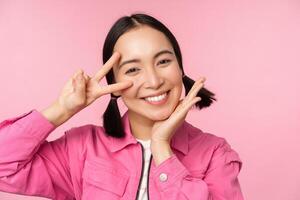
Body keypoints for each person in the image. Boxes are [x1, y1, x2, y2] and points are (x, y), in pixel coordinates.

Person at [0, 13, 244, 200]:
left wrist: (161, 148)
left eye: (163, 61)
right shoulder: (83, 149)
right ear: (114, 85)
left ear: (180, 69)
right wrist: (62, 109)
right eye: (133, 69)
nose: (154, 80)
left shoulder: (215, 154)